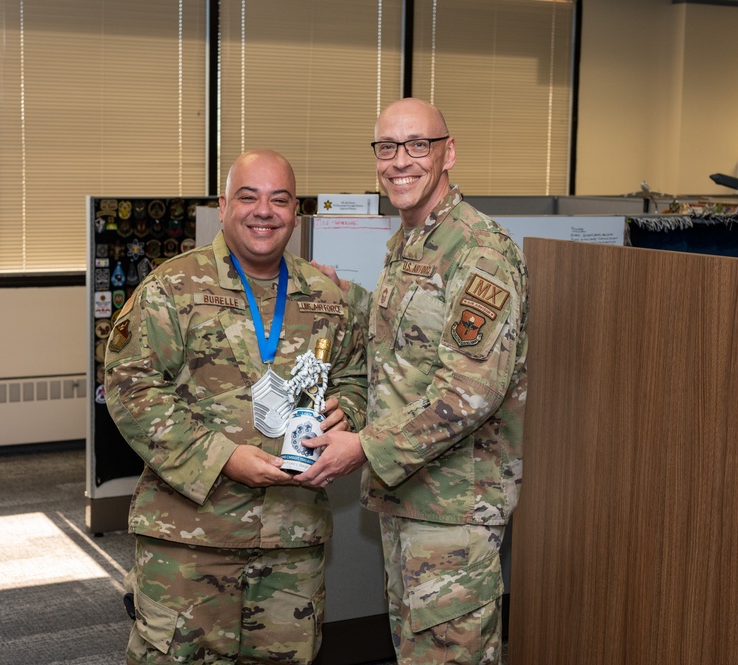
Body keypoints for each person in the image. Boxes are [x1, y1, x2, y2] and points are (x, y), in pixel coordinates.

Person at [104, 148, 368, 665]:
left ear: (296, 210)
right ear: (224, 204)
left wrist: (350, 415)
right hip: (189, 539)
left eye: (280, 199)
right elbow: (130, 388)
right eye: (248, 196)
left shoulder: (324, 295)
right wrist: (222, 457)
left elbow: (357, 376)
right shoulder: (173, 288)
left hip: (291, 539)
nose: (264, 211)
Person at [299, 98, 530, 664]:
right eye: (386, 147)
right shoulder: (413, 242)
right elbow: (411, 338)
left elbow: (470, 390)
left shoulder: (479, 251)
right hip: (412, 499)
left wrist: (364, 448)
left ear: (448, 152)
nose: (400, 161)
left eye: (417, 145)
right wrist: (342, 293)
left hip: (453, 511)